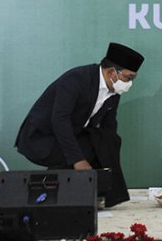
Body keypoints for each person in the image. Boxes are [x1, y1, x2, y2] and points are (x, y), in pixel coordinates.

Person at [15, 42, 144, 207]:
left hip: (71, 135)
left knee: (107, 141)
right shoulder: (76, 79)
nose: (129, 83)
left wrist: (109, 153)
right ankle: (45, 193)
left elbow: (109, 126)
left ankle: (100, 194)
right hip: (41, 137)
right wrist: (78, 160)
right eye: (128, 78)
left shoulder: (114, 92)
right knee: (88, 147)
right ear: (112, 72)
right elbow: (59, 120)